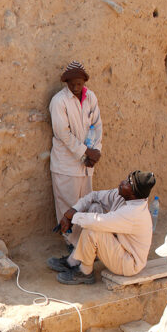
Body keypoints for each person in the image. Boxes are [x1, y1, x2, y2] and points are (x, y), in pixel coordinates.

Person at [47, 170, 156, 285]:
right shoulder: (126, 197)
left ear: (133, 193)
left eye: (127, 183)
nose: (122, 182)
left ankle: (85, 272)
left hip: (129, 263)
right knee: (95, 207)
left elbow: (97, 222)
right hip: (120, 247)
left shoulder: (133, 213)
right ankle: (73, 261)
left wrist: (72, 216)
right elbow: (94, 196)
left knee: (93, 229)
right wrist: (73, 211)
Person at [49, 61, 103, 235]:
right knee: (68, 205)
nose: (75, 87)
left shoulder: (91, 97)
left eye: (79, 83)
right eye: (71, 84)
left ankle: (85, 244)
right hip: (67, 165)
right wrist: (86, 152)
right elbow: (63, 133)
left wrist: (96, 152)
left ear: (84, 82)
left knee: (85, 205)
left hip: (86, 165)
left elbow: (97, 125)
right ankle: (71, 245)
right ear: (66, 83)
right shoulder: (59, 101)